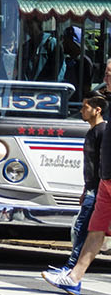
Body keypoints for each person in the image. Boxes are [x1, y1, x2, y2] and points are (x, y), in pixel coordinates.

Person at [42, 60, 111, 295]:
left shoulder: (101, 125)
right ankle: (73, 277)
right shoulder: (106, 109)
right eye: (106, 73)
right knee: (93, 230)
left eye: (110, 74)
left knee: (89, 228)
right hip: (105, 182)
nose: (106, 78)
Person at [52, 94, 106, 276]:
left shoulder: (102, 131)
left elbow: (102, 162)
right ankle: (71, 268)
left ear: (97, 110)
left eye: (86, 107)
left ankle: (71, 268)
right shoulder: (92, 131)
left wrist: (97, 190)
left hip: (100, 189)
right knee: (82, 228)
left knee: (82, 228)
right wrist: (85, 189)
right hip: (92, 188)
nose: (82, 111)